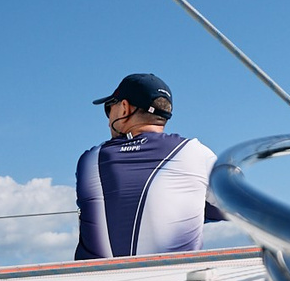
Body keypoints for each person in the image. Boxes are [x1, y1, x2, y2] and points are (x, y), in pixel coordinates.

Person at [75, 72, 223, 259]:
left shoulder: (90, 160)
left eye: (108, 109)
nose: (107, 119)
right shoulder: (196, 153)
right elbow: (235, 208)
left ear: (124, 108)